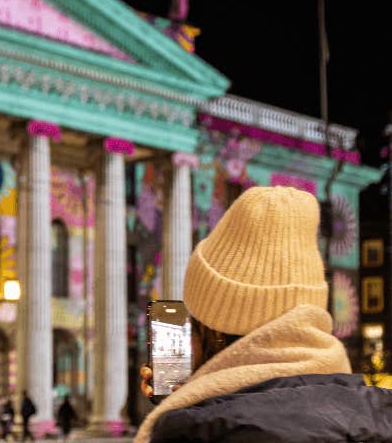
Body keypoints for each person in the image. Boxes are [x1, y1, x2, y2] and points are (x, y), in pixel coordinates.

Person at [136, 187, 392, 442]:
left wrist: (184, 406)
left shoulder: (193, 429)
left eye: (194, 321)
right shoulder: (379, 413)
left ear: (214, 329)